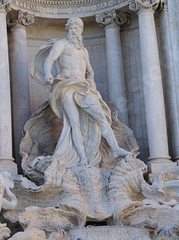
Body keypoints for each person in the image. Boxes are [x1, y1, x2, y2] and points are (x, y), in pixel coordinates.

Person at [31, 17, 130, 167]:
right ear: (68, 29)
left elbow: (90, 71)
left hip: (83, 87)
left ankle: (115, 149)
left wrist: (91, 84)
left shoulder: (83, 51)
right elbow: (49, 60)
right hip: (66, 85)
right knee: (74, 123)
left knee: (101, 117)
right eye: (72, 27)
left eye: (78, 28)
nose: (75, 30)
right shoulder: (61, 44)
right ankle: (82, 158)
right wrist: (48, 74)